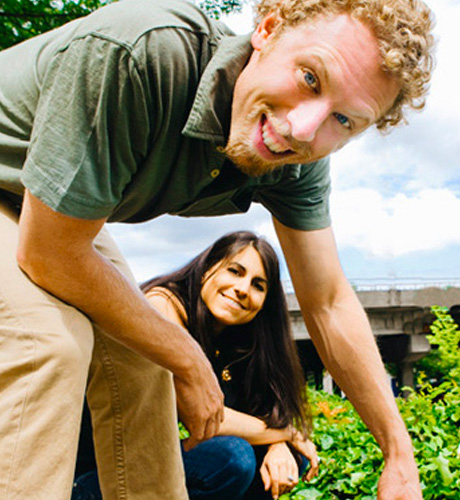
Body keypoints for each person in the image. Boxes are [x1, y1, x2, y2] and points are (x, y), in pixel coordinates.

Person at [0, 0, 435, 498]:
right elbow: (50, 253)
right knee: (48, 343)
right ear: (268, 29)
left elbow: (329, 301)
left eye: (344, 119)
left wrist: (399, 454)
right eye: (310, 78)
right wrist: (187, 356)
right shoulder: (144, 53)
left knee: (144, 359)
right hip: (37, 207)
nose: (302, 129)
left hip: (52, 206)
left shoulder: (299, 160)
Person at [73, 231, 320, 500]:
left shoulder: (234, 345)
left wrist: (279, 443)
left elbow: (254, 416)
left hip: (145, 465)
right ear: (206, 269)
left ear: (264, 305)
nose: (242, 289)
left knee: (288, 459)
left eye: (258, 286)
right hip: (96, 477)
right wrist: (286, 432)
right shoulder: (162, 305)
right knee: (233, 457)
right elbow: (200, 417)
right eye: (234, 271)